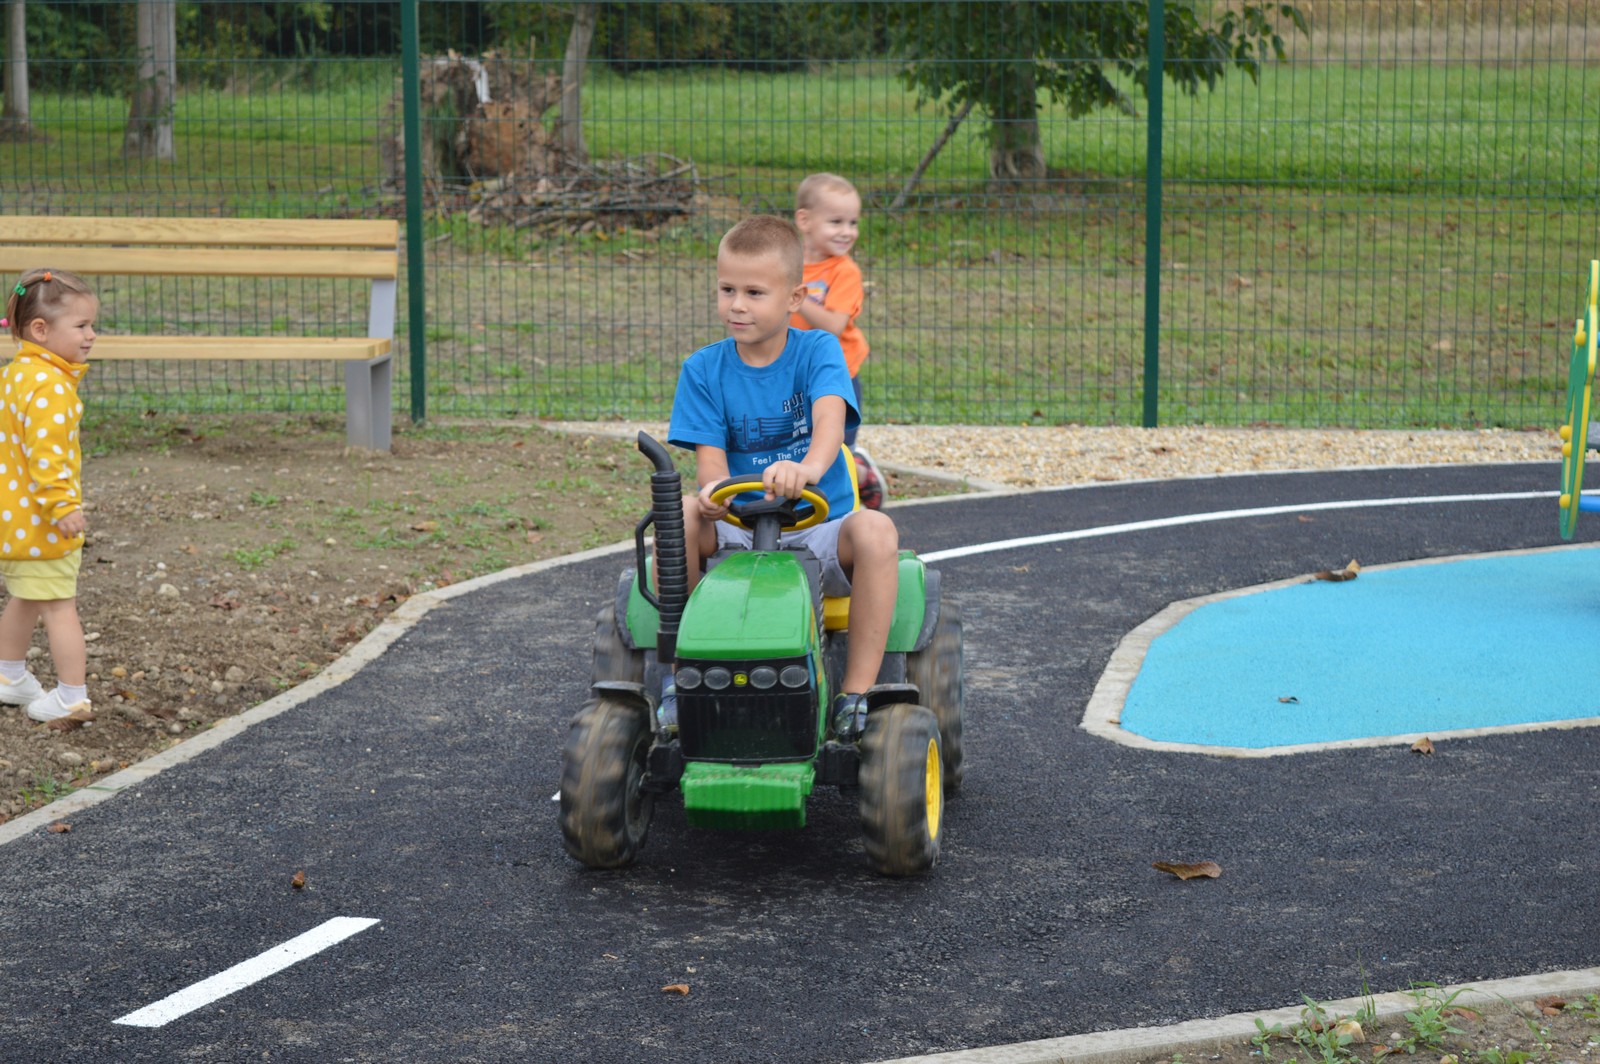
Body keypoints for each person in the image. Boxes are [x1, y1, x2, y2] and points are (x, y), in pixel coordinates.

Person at [669, 215, 900, 740]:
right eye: (727, 289)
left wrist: (808, 469)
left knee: (877, 532)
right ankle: (677, 673)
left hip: (818, 532)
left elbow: (829, 425)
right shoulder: (703, 370)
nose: (737, 305)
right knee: (680, 513)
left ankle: (855, 696)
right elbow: (711, 468)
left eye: (754, 292)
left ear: (794, 297)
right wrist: (709, 499)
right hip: (738, 533)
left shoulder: (817, 351)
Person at [0, 268, 96, 722]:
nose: (91, 335)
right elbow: (47, 455)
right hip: (45, 523)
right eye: (81, 326)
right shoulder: (52, 387)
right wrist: (63, 506)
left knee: (25, 596)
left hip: (14, 523)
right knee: (59, 607)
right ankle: (71, 696)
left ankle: (9, 675)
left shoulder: (16, 375)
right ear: (41, 330)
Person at [790, 172, 886, 510]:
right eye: (836, 221)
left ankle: (856, 479)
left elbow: (833, 325)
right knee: (799, 446)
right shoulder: (788, 267)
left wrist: (796, 298)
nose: (847, 231)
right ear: (805, 220)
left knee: (833, 451)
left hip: (838, 375)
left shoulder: (844, 272)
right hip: (795, 374)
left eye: (853, 222)